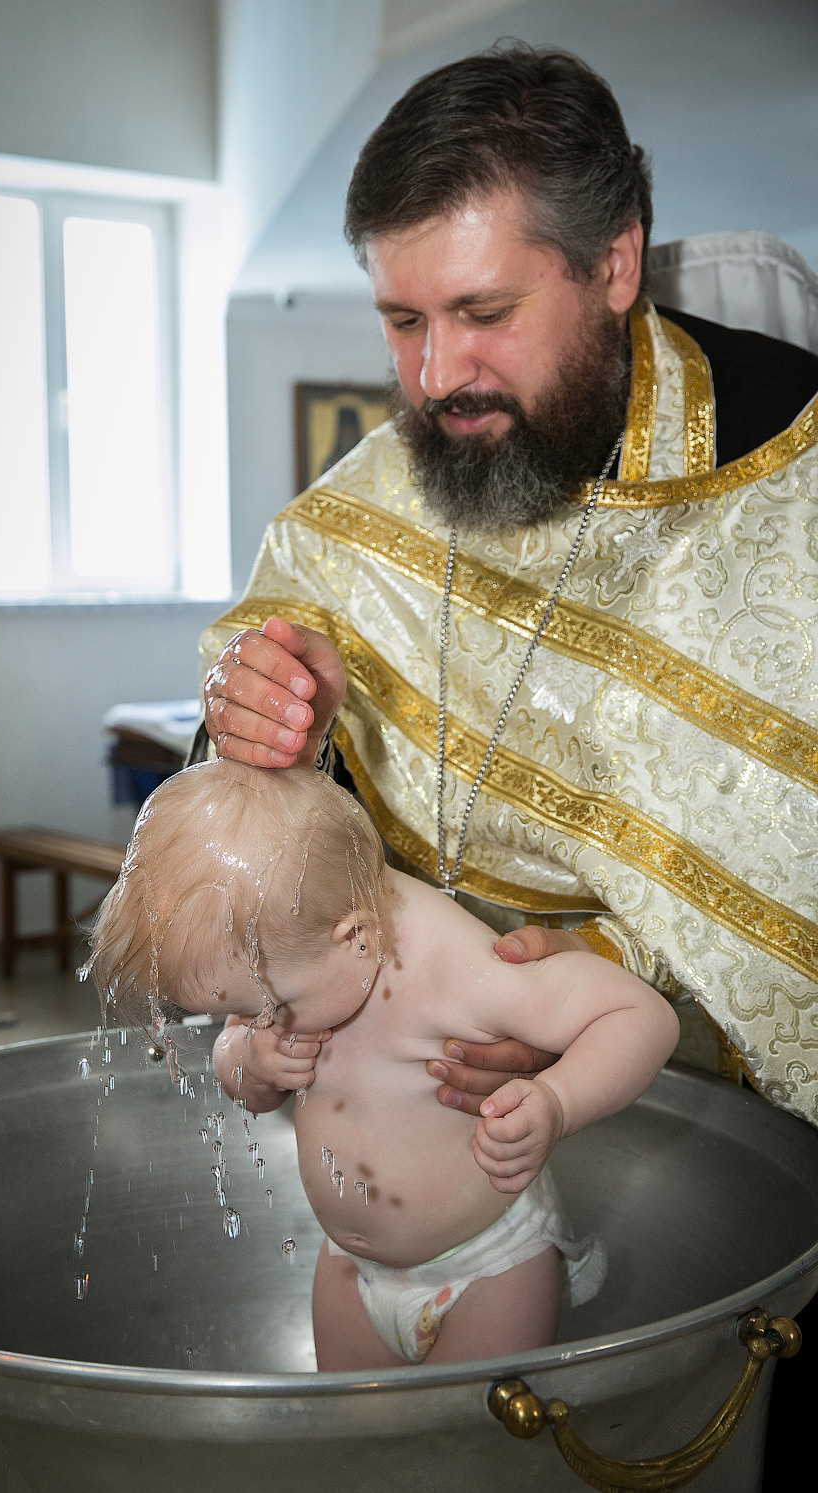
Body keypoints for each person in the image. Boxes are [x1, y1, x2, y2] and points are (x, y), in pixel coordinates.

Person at [197, 43, 818, 1127]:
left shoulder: (790, 478)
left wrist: (610, 970)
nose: (435, 378)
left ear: (612, 266)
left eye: (483, 313)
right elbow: (259, 790)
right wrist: (278, 730)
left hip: (699, 1118)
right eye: (402, 321)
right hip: (412, 1102)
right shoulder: (369, 499)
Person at [89, 760, 677, 1367]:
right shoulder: (284, 944)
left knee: (468, 1448)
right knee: (356, 1444)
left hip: (490, 1270)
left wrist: (558, 1101)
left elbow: (641, 1016)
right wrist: (248, 1060)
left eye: (270, 1008)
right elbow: (241, 1077)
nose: (265, 1023)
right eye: (242, 1013)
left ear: (357, 937)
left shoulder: (462, 971)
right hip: (350, 1266)